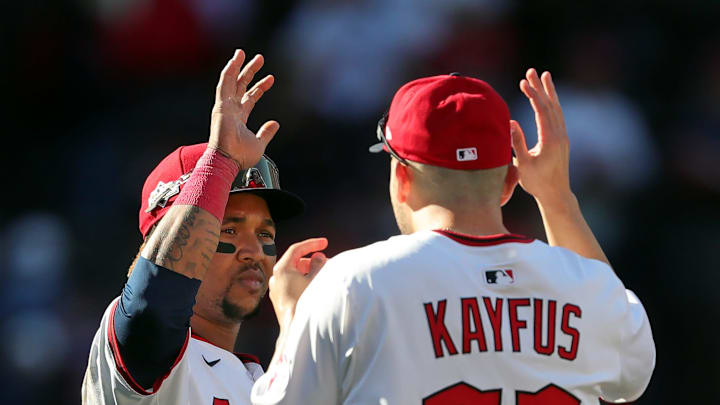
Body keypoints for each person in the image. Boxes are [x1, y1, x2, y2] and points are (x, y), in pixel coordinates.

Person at [251, 69, 656, 404]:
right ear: (511, 182)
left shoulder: (353, 282)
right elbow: (632, 374)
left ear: (401, 178)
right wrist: (556, 198)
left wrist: (292, 318)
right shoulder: (585, 285)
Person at [81, 49, 327, 405]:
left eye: (265, 234)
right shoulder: (139, 357)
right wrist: (221, 162)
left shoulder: (258, 381)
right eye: (228, 230)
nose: (254, 251)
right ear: (162, 236)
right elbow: (155, 301)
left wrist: (297, 327)